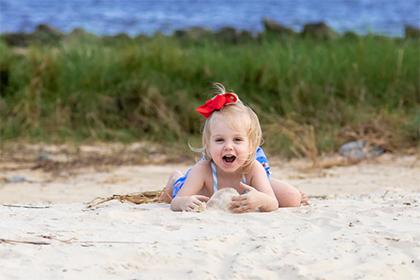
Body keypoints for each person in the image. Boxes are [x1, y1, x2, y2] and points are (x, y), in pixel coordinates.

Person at [159, 83, 308, 212]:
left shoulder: (253, 168)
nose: (228, 147)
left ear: (251, 147)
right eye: (219, 140)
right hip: (197, 189)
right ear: (208, 146)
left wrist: (260, 200)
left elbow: (273, 203)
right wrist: (184, 202)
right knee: (179, 187)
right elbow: (176, 201)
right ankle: (175, 178)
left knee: (291, 199)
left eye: (237, 139)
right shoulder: (203, 169)